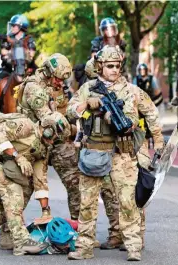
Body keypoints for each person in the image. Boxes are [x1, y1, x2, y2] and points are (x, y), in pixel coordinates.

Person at [66, 45, 142, 261]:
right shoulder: (88, 88)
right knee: (87, 204)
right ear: (100, 66)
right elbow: (70, 112)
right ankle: (84, 247)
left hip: (120, 154)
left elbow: (131, 121)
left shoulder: (127, 89)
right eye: (110, 66)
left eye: (117, 66)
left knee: (127, 202)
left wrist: (111, 116)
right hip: (93, 152)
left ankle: (133, 246)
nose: (114, 70)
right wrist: (87, 105)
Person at [14, 53, 73, 220]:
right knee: (21, 191)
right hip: (27, 145)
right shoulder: (35, 89)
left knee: (40, 181)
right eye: (58, 79)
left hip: (39, 145)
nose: (60, 83)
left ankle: (46, 215)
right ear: (48, 72)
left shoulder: (45, 86)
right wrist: (72, 130)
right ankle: (4, 230)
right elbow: (49, 118)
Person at [2, 14, 37, 82]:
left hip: (28, 68)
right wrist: (12, 63)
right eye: (11, 26)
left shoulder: (29, 39)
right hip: (9, 69)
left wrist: (23, 66)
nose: (11, 28)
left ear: (21, 27)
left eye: (14, 26)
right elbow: (4, 56)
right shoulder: (7, 39)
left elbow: (31, 56)